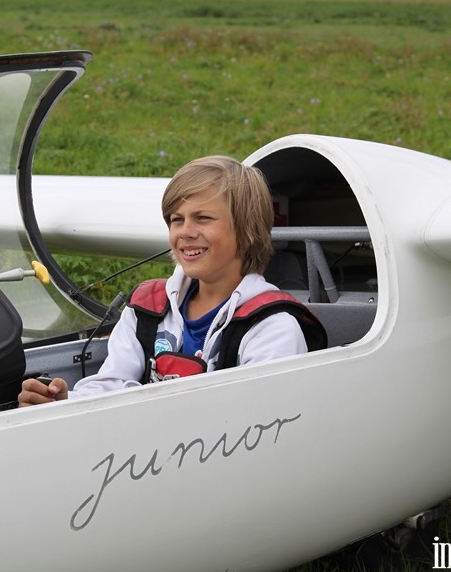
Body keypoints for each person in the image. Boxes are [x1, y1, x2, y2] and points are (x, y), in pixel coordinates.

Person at [18, 155, 308, 407]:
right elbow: (111, 382)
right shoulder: (146, 308)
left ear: (247, 230)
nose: (185, 231)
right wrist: (63, 402)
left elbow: (260, 425)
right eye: (176, 219)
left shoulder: (272, 328)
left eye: (203, 218)